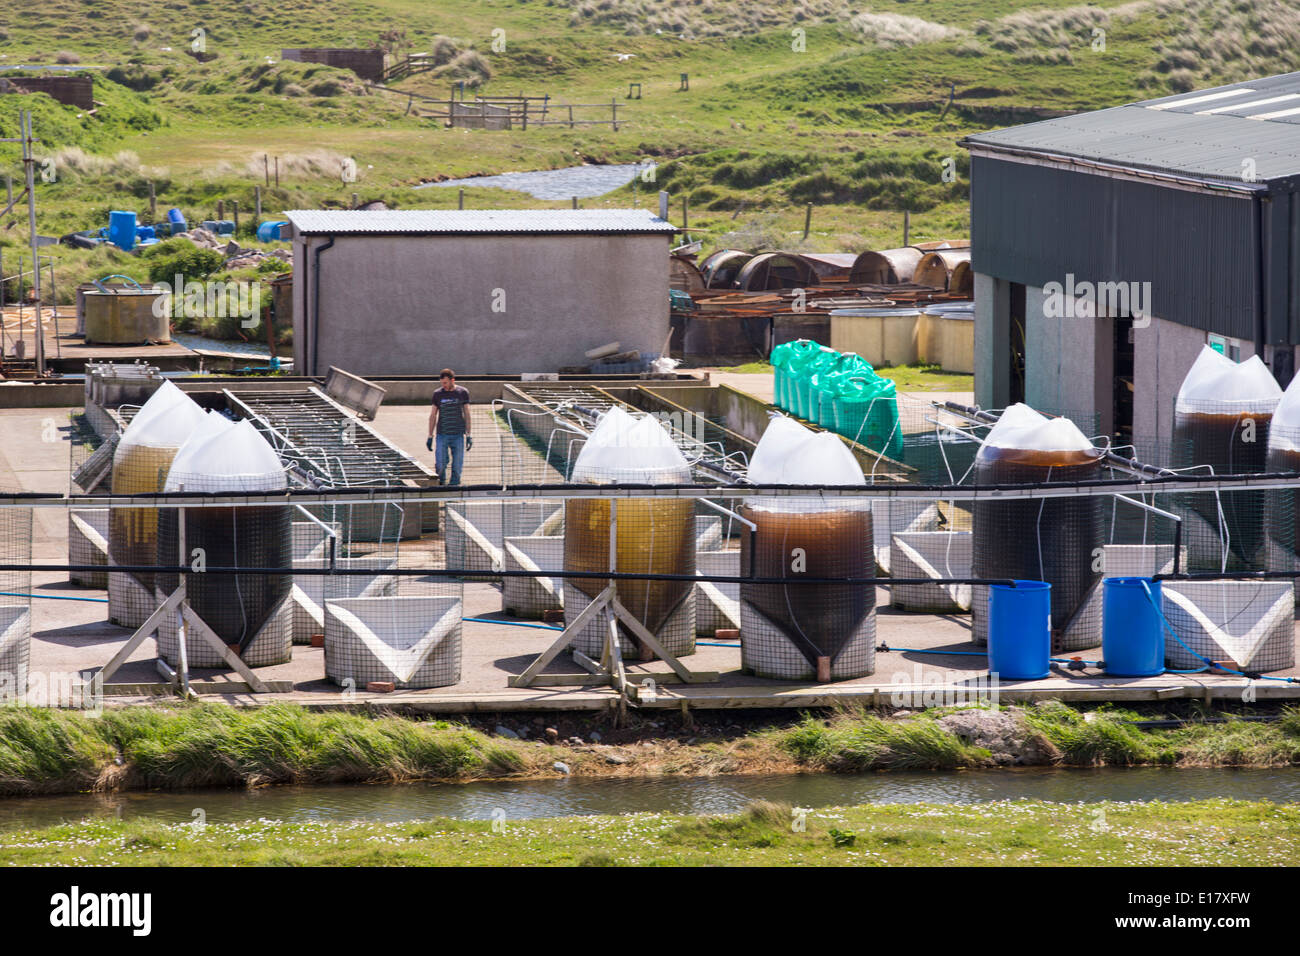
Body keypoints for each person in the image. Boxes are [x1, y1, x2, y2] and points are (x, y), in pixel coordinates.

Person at [427, 368, 472, 485]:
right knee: (440, 463)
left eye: (446, 383)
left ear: (453, 380)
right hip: (442, 434)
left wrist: (468, 434)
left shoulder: (462, 392)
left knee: (457, 464)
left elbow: (467, 413)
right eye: (442, 383)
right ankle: (441, 483)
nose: (444, 385)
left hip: (457, 435)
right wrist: (430, 436)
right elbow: (433, 415)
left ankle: (454, 486)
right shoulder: (438, 394)